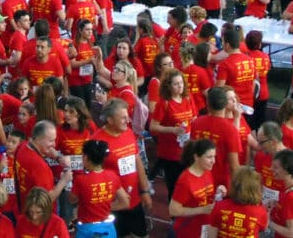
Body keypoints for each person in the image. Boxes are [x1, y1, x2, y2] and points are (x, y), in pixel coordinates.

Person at [93, 99, 151, 238]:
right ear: (110, 120)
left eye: (127, 116)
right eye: (123, 118)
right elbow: (94, 175)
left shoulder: (129, 133)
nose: (128, 120)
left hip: (134, 201)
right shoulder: (97, 142)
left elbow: (138, 163)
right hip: (113, 206)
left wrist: (145, 191)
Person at [149, 69, 196, 201]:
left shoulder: (188, 97)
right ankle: (174, 217)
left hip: (187, 148)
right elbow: (153, 126)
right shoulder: (164, 103)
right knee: (174, 186)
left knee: (189, 183)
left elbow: (194, 116)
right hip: (170, 152)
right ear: (168, 86)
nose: (180, 86)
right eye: (176, 84)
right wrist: (172, 130)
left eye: (181, 83)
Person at [69, 139, 129, 238]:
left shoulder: (81, 180)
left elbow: (72, 200)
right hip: (108, 229)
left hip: (86, 230)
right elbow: (125, 202)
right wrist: (103, 206)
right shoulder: (112, 176)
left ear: (86, 157)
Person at [169, 138, 224, 238]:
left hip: (204, 228)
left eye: (214, 157)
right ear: (196, 157)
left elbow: (206, 195)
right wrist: (202, 210)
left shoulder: (207, 171)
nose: (213, 161)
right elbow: (173, 210)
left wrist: (219, 191)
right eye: (209, 157)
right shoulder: (185, 181)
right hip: (187, 231)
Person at [205, 167, 268, 238]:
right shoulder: (260, 212)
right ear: (256, 189)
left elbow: (211, 236)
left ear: (234, 186)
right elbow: (263, 227)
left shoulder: (219, 206)